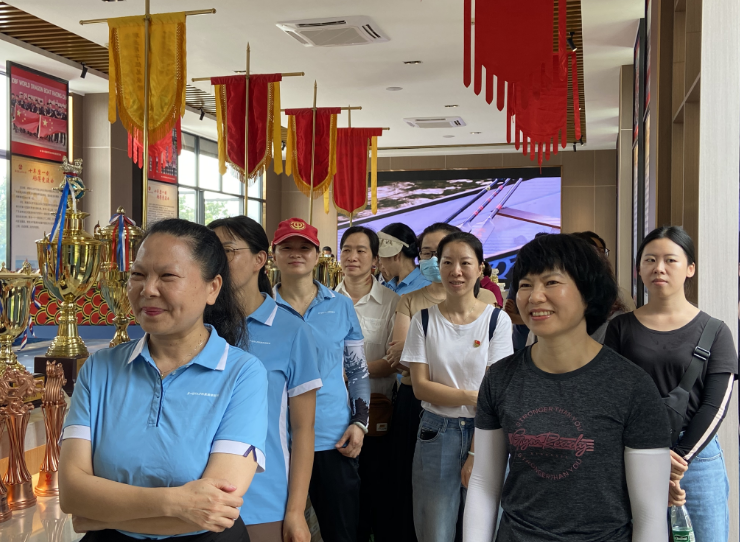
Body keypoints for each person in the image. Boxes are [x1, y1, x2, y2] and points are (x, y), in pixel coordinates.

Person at [58, 218, 268, 541]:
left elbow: (215, 510)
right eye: (138, 275)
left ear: (212, 288)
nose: (148, 289)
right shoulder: (100, 369)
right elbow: (72, 493)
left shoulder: (242, 374)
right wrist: (177, 503)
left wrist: (100, 513)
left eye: (167, 276)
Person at [464, 233, 672, 542]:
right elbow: (483, 484)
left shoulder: (632, 387)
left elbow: (650, 515)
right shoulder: (500, 379)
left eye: (551, 282)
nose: (535, 297)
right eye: (525, 285)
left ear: (588, 292)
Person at [605, 226, 737, 542]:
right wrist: (652, 458)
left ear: (690, 268)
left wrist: (678, 459)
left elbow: (715, 407)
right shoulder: (620, 328)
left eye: (670, 260)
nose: (659, 268)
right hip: (636, 452)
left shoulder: (716, 331)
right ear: (638, 269)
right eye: (650, 260)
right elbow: (610, 397)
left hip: (697, 459)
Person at [384, 222, 499, 542]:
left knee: (476, 519)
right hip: (424, 411)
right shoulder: (415, 306)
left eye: (447, 255)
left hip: (479, 421)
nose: (445, 265)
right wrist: (469, 392)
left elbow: (491, 380)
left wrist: (425, 359)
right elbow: (401, 362)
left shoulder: (489, 307)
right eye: (432, 255)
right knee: (429, 511)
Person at [209, 216, 322, 542]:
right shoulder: (196, 327)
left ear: (260, 259)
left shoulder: (291, 330)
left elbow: (303, 429)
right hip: (197, 496)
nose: (216, 260)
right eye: (211, 251)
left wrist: (295, 510)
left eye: (227, 251)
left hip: (263, 500)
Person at [271, 218, 370, 542]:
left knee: (340, 533)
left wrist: (360, 422)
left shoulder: (340, 306)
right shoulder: (261, 309)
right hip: (276, 441)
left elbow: (357, 369)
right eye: (287, 247)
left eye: (304, 247)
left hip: (333, 437)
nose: (296, 253)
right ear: (273, 254)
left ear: (317, 255)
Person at [335, 226, 400, 542]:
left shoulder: (392, 302)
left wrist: (351, 375)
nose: (352, 256)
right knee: (341, 496)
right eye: (347, 249)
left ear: (375, 259)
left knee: (375, 492)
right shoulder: (326, 300)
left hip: (375, 413)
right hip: (334, 413)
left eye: (361, 250)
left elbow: (393, 361)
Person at [378, 223, 430, 295]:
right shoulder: (389, 285)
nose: (380, 262)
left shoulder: (425, 288)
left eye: (381, 257)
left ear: (396, 255)